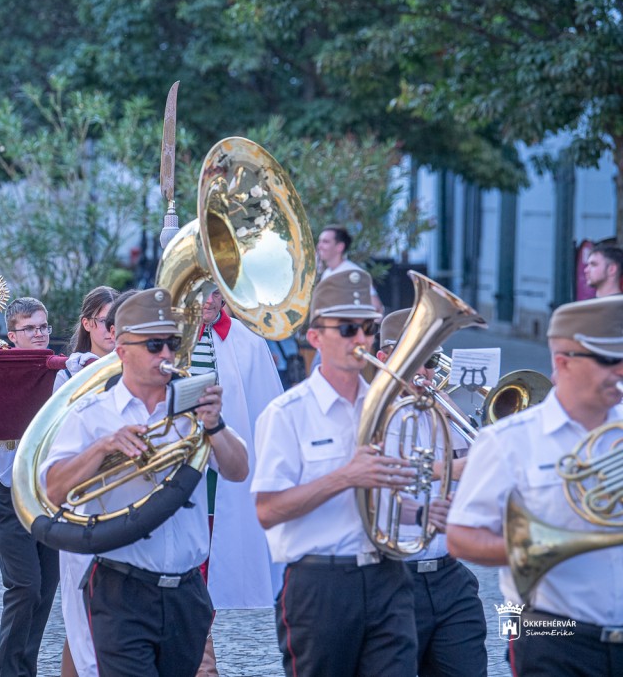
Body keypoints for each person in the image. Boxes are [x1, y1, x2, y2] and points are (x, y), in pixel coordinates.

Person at [42, 287, 250, 677]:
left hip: (187, 591)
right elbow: (52, 490)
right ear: (122, 350)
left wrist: (215, 425)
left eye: (173, 343)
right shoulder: (91, 413)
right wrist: (102, 448)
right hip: (122, 588)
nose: (167, 354)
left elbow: (239, 471)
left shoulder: (191, 405)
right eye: (154, 345)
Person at [252, 269, 418, 676]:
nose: (360, 338)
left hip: (388, 575)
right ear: (315, 337)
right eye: (347, 328)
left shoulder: (392, 411)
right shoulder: (287, 414)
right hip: (319, 584)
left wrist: (424, 513)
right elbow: (268, 510)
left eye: (368, 328)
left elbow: (392, 497)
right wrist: (345, 476)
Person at [447, 295, 623, 675]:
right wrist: (539, 548)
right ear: (564, 362)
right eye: (609, 360)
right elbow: (461, 537)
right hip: (557, 638)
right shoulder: (509, 440)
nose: (620, 371)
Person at [376, 308, 487, 677]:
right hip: (391, 578)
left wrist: (473, 418)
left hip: (449, 575)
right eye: (415, 361)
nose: (425, 373)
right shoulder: (368, 413)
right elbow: (386, 476)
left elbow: (477, 469)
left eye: (432, 363)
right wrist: (450, 470)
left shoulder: (441, 410)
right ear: (384, 358)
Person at [190, 285, 284, 674]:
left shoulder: (248, 342)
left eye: (216, 292)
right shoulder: (161, 339)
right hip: (174, 474)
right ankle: (199, 658)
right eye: (200, 292)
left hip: (223, 476)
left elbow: (267, 414)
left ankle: (200, 655)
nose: (209, 301)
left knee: (207, 569)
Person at [0, 296, 60, 676]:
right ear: (11, 335)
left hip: (51, 497)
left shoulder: (61, 372)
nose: (39, 334)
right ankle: (7, 670)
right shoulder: (2, 373)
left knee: (45, 591)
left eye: (43, 326)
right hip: (12, 496)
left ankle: (24, 669)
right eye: (29, 328)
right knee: (25, 588)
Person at [53, 285, 118, 677]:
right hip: (83, 500)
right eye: (106, 322)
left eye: (119, 323)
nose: (113, 331)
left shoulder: (137, 371)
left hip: (124, 501)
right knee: (80, 615)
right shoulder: (68, 373)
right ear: (88, 324)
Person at [316, 225, 384, 313]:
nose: (319, 246)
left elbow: (377, 308)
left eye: (325, 242)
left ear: (340, 247)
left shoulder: (354, 273)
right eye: (319, 241)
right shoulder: (327, 273)